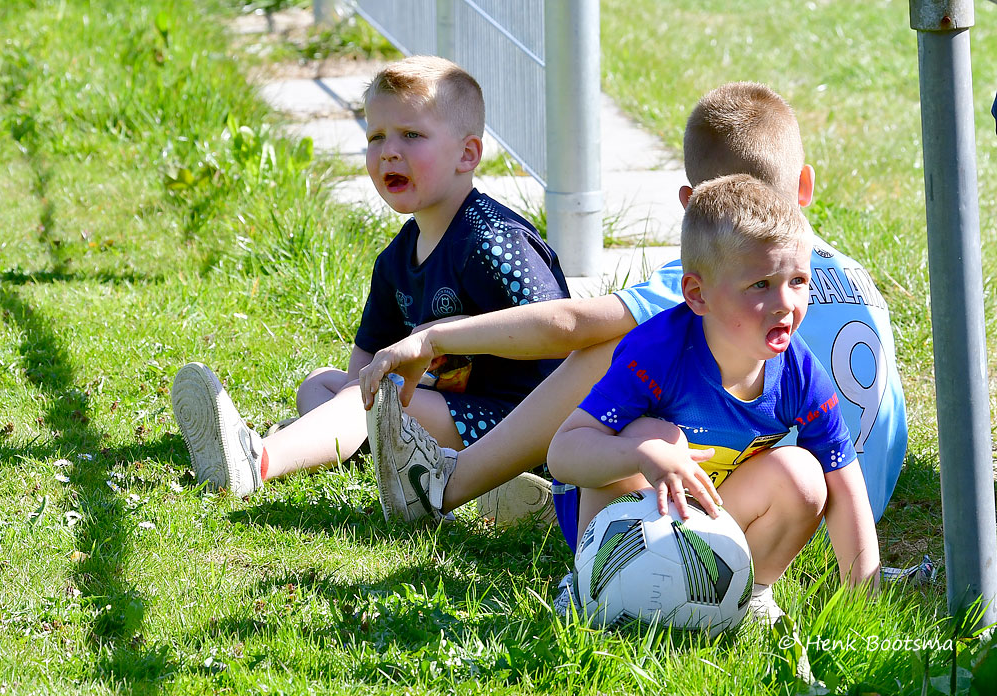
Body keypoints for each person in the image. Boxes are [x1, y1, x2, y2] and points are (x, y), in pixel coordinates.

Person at [360, 82, 907, 541]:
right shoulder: (833, 271)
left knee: (615, 346)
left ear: (692, 205)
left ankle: (451, 484)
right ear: (803, 185)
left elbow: (569, 323)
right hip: (854, 504)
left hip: (769, 510)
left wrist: (435, 338)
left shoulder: (726, 278)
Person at [170, 55, 570, 497]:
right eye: (376, 136)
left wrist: (449, 336)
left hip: (517, 423)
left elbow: (558, 333)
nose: (389, 151)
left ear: (467, 154)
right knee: (321, 384)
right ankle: (346, 445)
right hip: (439, 409)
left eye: (411, 135)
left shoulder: (494, 241)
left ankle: (257, 460)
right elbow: (364, 360)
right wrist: (353, 394)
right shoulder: (396, 258)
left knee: (373, 403)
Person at [546, 175, 880, 624]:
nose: (785, 303)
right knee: (650, 431)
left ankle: (749, 592)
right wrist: (643, 453)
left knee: (803, 475)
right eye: (760, 284)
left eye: (798, 280)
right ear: (697, 294)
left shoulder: (800, 374)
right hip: (627, 516)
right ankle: (594, 584)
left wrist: (865, 607)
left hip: (706, 514)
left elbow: (845, 482)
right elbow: (563, 453)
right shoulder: (656, 354)